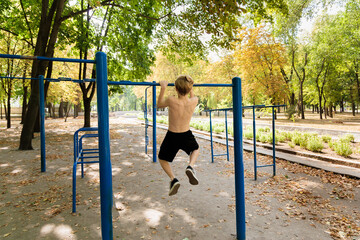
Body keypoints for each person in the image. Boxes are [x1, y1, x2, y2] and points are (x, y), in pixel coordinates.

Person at [157, 75, 200, 196]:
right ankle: (190, 166)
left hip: (172, 135)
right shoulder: (194, 101)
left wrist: (163, 88)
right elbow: (191, 94)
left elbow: (159, 104)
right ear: (190, 88)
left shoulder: (171, 100)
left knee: (162, 158)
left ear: (175, 89)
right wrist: (190, 85)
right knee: (195, 149)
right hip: (186, 134)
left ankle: (173, 179)